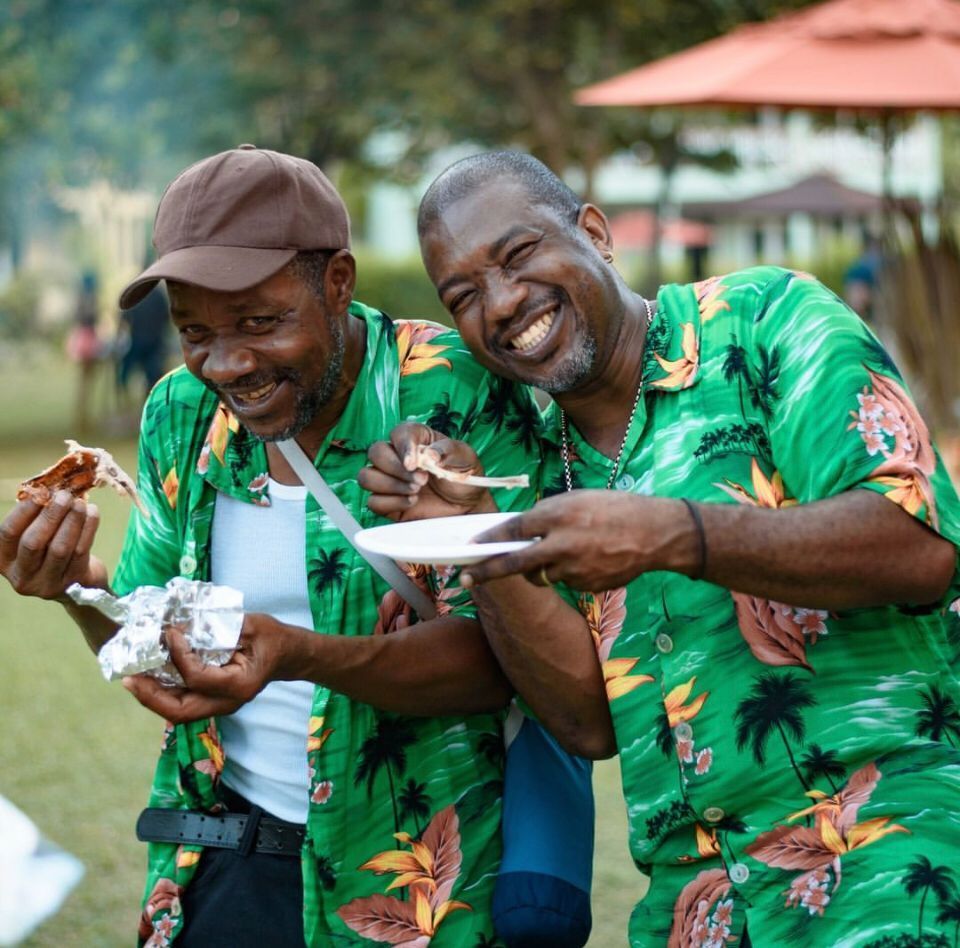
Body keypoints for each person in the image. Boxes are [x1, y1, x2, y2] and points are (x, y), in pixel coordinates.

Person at [362, 151, 960, 947]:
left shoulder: (765, 320)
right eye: (463, 296)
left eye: (519, 255)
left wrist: (673, 533)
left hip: (891, 860)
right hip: (694, 905)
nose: (501, 303)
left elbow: (920, 547)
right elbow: (588, 724)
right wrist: (476, 536)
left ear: (595, 233)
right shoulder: (529, 468)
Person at [0, 145, 545, 947]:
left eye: (260, 322)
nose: (227, 364)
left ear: (338, 282)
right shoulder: (180, 411)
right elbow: (148, 640)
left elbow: (510, 662)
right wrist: (78, 589)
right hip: (223, 863)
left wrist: (299, 655)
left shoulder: (455, 389)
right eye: (195, 331)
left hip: (421, 889)